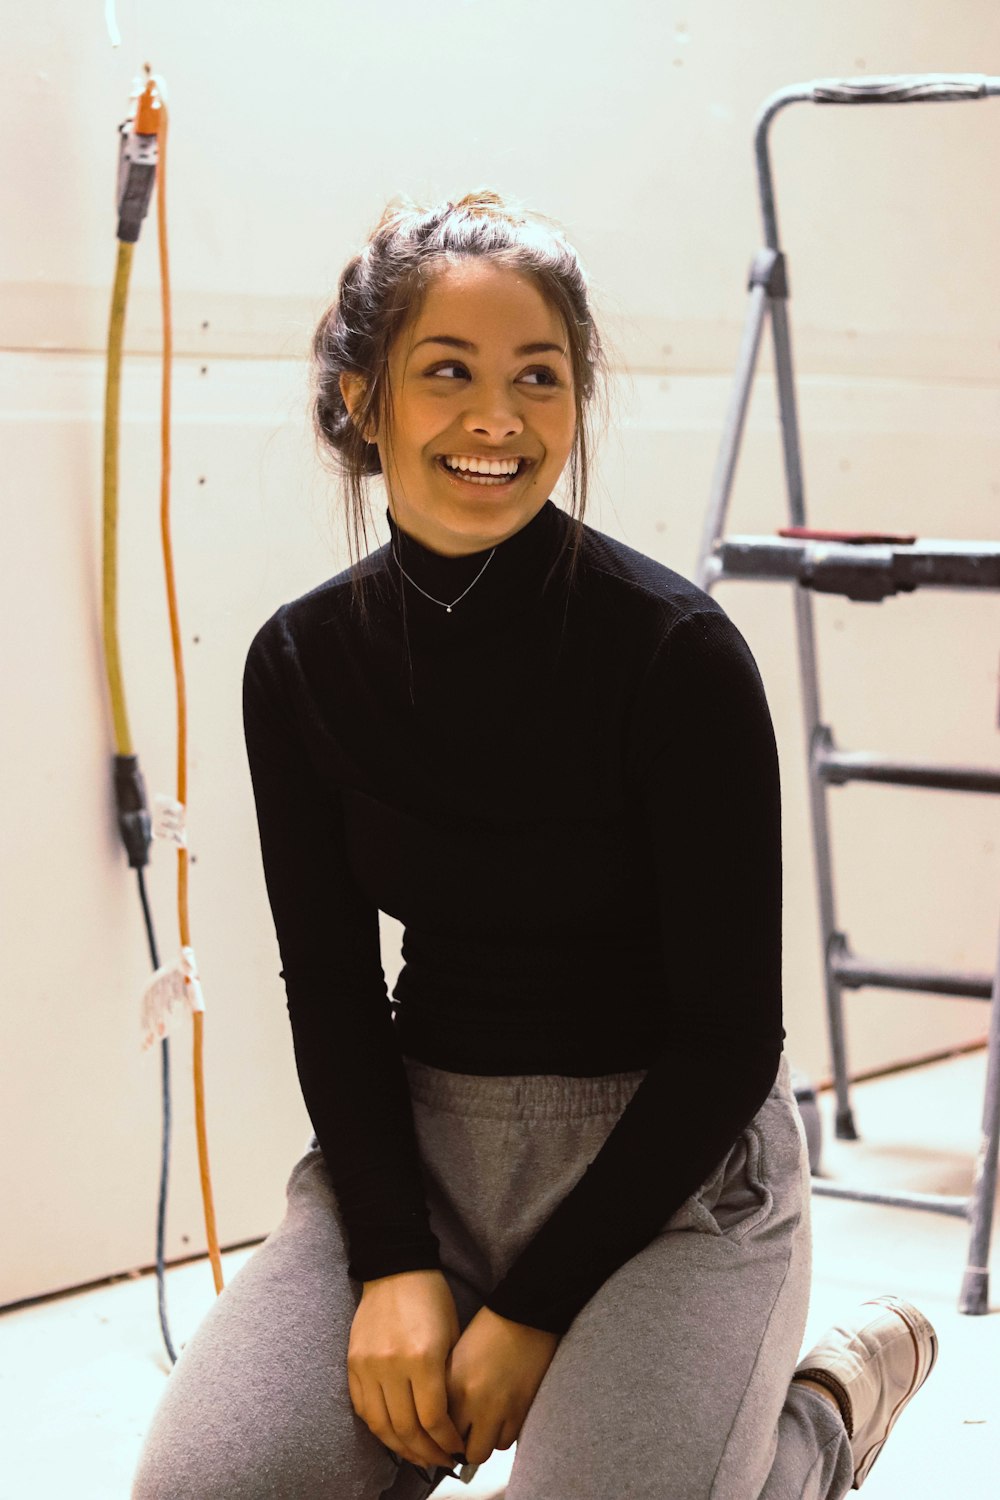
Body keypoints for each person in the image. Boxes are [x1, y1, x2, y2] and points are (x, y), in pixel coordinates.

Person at [132, 190, 938, 1500]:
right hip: (426, 1152)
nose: (498, 420)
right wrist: (394, 1263)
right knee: (207, 1489)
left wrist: (536, 1308)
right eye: (448, 372)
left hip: (674, 1175)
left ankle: (818, 1426)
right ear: (362, 398)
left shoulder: (677, 659)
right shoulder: (300, 663)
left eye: (539, 379)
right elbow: (330, 990)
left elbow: (731, 1041)